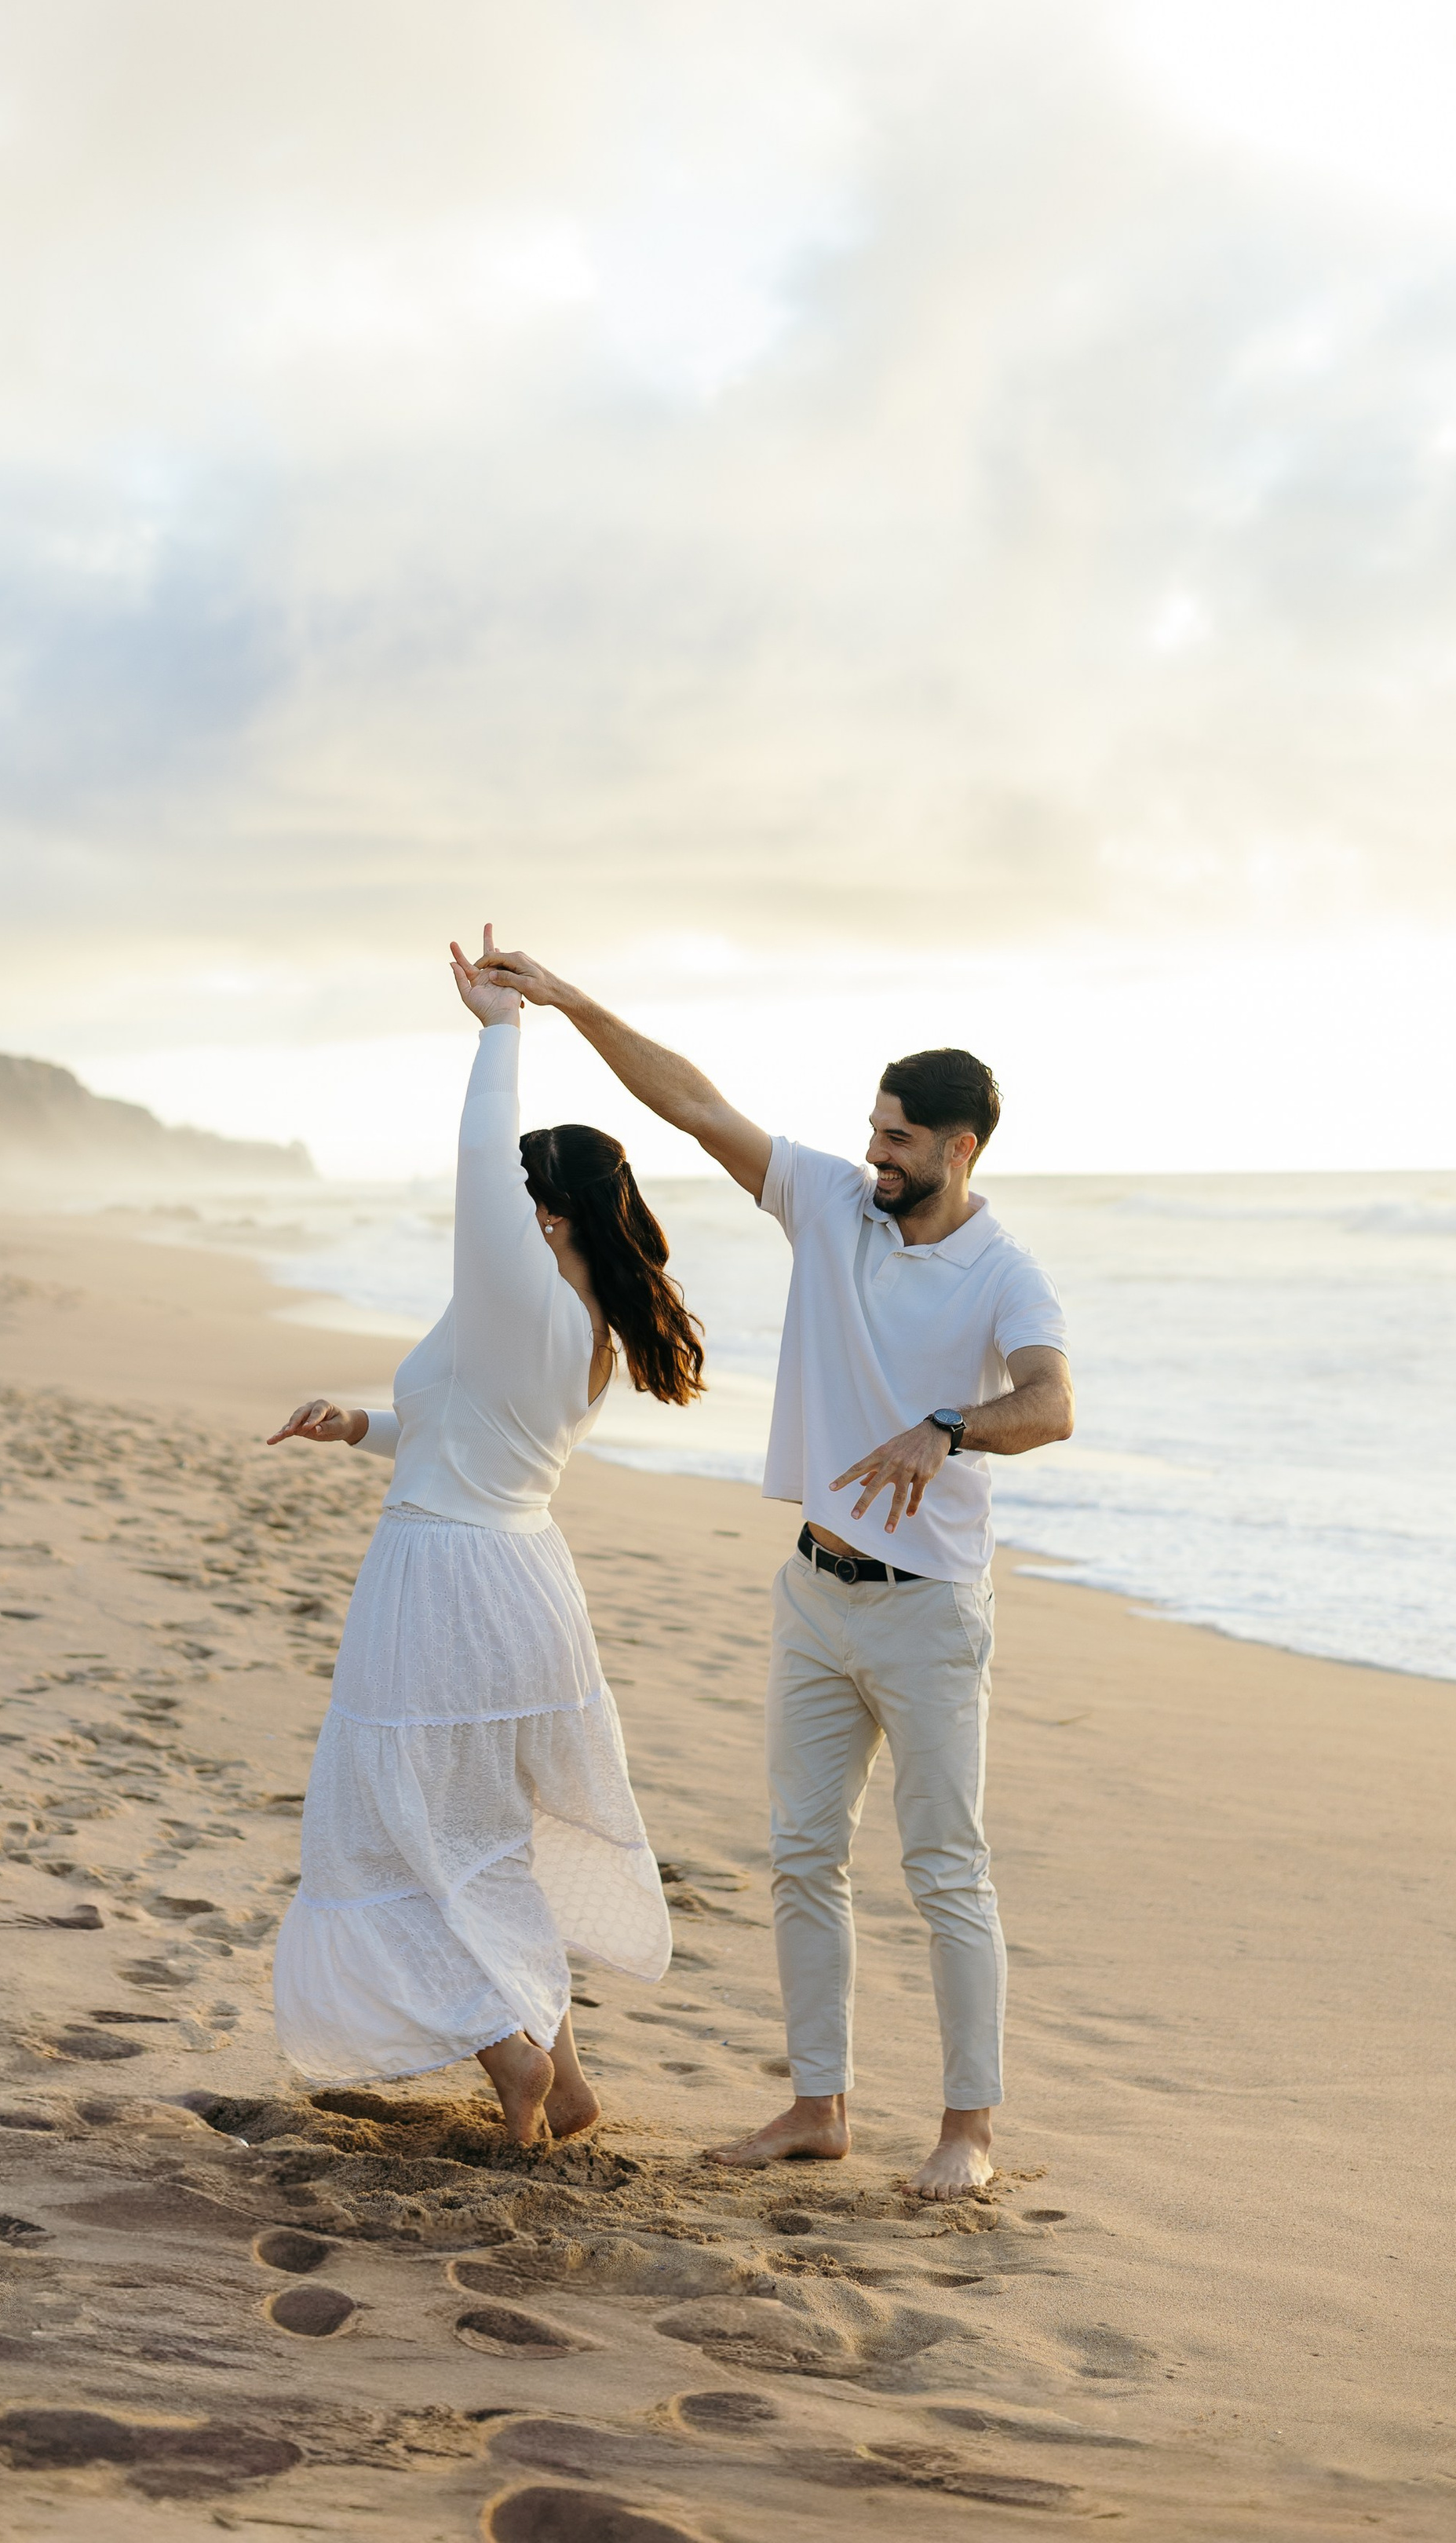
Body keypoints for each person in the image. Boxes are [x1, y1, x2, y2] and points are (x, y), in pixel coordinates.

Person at [469, 937, 1073, 2198]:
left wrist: (947, 1429)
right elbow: (691, 1106)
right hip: (814, 1591)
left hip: (930, 1615)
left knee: (943, 1868)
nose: (875, 1154)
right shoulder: (830, 1207)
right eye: (872, 1130)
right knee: (804, 1856)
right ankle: (819, 2107)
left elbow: (1051, 1404)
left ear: (959, 1149)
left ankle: (969, 2130)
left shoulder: (1005, 1272)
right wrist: (570, 1000)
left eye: (898, 1138)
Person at [265, 930, 705, 2147]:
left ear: (548, 1211)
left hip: (445, 1587)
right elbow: (468, 1431)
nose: (500, 1203)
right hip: (515, 1581)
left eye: (520, 1193)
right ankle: (560, 2083)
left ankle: (511, 2058)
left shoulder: (524, 1289)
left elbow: (474, 1157)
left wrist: (502, 1031)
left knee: (388, 1833)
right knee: (478, 1840)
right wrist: (364, 1426)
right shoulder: (583, 1330)